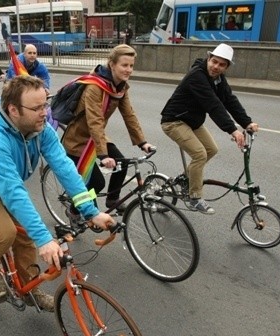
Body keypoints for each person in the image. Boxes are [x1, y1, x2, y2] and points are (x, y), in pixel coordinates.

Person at [0, 75, 114, 311]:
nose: (45, 112)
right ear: (13, 110)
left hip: (5, 182)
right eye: (37, 107)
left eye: (45, 104)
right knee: (4, 232)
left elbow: (64, 167)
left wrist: (90, 211)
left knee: (26, 234)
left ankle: (30, 289)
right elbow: (13, 191)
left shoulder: (40, 128)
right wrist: (45, 240)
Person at [160, 43, 259, 214]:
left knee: (211, 149)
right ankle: (195, 197)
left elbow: (229, 100)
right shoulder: (197, 76)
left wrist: (246, 123)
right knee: (199, 154)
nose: (216, 67)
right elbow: (213, 105)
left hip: (191, 121)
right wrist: (232, 130)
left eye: (222, 64)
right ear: (208, 58)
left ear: (226, 67)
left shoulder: (218, 78)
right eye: (214, 62)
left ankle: (186, 178)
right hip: (173, 121)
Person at [61, 44, 154, 212]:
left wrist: (142, 142)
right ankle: (74, 211)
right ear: (112, 64)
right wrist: (103, 155)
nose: (128, 70)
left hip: (97, 138)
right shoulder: (95, 87)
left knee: (122, 163)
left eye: (131, 66)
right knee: (96, 183)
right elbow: (95, 121)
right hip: (78, 141)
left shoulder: (120, 87)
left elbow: (129, 115)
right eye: (124, 65)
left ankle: (112, 200)